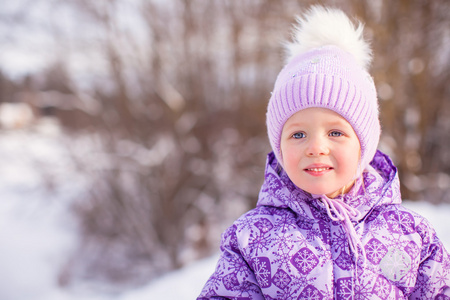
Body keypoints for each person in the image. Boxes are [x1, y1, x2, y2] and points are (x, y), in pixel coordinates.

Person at [198, 5, 450, 300]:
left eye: (335, 133)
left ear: (364, 146)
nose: (316, 147)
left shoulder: (410, 235)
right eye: (298, 134)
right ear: (279, 147)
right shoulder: (251, 239)